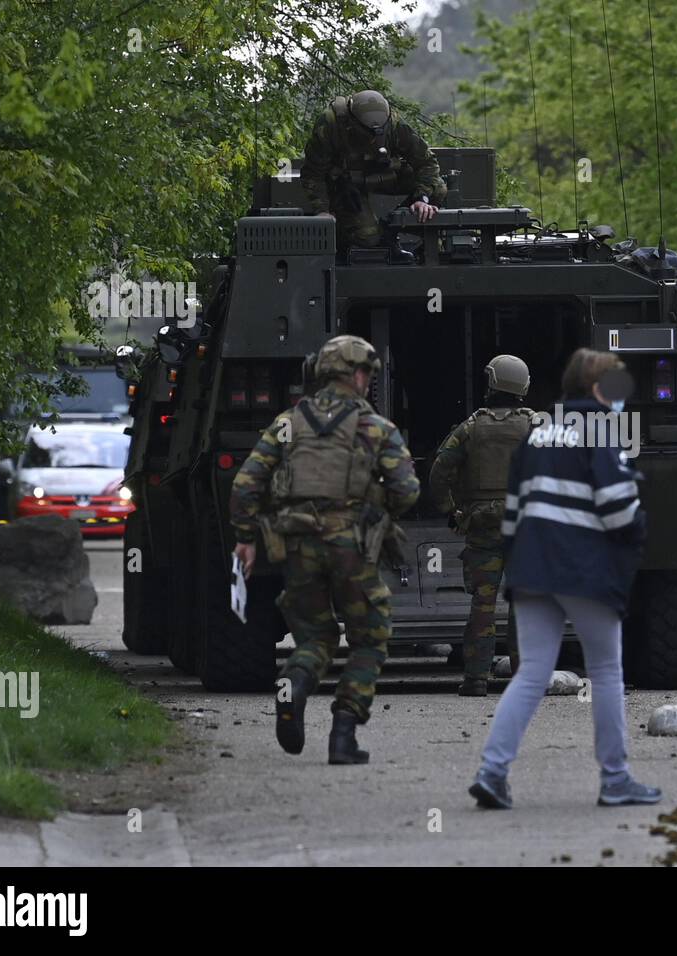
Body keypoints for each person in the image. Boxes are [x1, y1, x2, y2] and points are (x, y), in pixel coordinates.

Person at [468, 348, 660, 809]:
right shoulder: (599, 431)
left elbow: (513, 516)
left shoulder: (537, 436)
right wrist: (637, 534)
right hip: (586, 572)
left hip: (533, 571)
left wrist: (520, 566)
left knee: (531, 673)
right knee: (607, 672)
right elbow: (617, 511)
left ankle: (493, 773)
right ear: (597, 389)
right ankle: (615, 779)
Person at [229, 335, 419, 764]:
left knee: (315, 636)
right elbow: (408, 490)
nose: (369, 380)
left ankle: (291, 688)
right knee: (370, 637)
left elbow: (245, 485)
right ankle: (343, 736)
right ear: (355, 374)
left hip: (297, 547)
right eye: (368, 372)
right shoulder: (376, 427)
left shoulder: (287, 423)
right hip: (352, 547)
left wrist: (245, 537)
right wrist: (376, 510)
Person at [428, 355, 537, 697]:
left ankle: (476, 679)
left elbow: (439, 472)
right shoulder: (538, 426)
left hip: (483, 527)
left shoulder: (471, 427)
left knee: (482, 607)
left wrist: (452, 511)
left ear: (492, 383)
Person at [300, 89, 447, 259]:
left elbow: (426, 162)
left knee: (438, 188)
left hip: (384, 175)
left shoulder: (394, 123)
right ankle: (348, 236)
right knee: (368, 236)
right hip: (346, 186)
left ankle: (391, 230)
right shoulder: (331, 124)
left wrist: (422, 199)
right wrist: (323, 210)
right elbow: (313, 174)